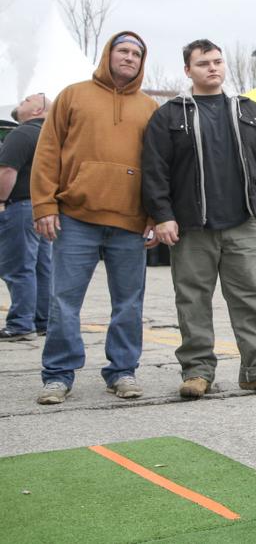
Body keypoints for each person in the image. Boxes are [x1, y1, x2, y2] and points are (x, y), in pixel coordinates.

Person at [142, 39, 256, 399]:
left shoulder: (250, 111)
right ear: (188, 71)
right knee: (192, 299)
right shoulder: (170, 115)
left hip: (243, 224)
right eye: (203, 63)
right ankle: (197, 372)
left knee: (251, 298)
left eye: (217, 61)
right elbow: (154, 170)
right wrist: (163, 215)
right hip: (192, 227)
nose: (213, 68)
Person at [31, 32, 159, 404]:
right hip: (75, 217)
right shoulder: (73, 95)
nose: (130, 57)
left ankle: (122, 372)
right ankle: (58, 375)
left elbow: (157, 166)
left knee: (129, 303)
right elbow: (47, 150)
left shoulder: (149, 106)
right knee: (64, 300)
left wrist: (153, 214)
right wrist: (44, 205)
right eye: (123, 50)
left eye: (137, 53)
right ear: (108, 54)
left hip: (130, 222)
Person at [0, 94, 52, 341]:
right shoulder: (52, 136)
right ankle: (43, 320)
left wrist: (0, 201)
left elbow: (7, 170)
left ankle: (20, 324)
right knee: (42, 267)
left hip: (20, 206)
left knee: (18, 266)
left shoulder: (21, 134)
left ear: (37, 109)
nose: (20, 101)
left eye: (27, 100)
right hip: (44, 208)